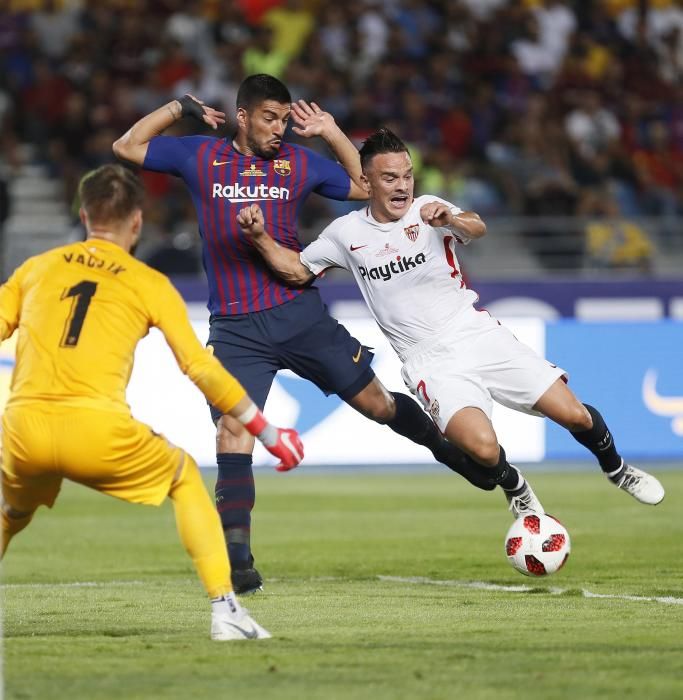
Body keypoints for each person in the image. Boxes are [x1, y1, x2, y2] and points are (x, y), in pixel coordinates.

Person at [113, 74, 486, 595]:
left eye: (285, 119)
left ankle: (453, 454)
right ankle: (238, 561)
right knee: (231, 433)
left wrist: (331, 133)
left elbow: (365, 186)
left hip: (299, 314)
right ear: (242, 117)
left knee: (378, 405)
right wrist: (180, 107)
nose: (280, 128)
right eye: (270, 118)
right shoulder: (200, 156)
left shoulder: (297, 162)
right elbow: (126, 146)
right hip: (237, 328)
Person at [237, 128, 666, 512]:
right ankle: (517, 489)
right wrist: (259, 238)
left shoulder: (429, 209)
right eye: (390, 178)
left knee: (574, 414)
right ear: (366, 182)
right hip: (429, 362)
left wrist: (452, 219)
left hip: (475, 333)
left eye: (406, 175)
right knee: (481, 448)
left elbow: (476, 227)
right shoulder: (345, 234)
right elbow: (296, 270)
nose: (402, 185)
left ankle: (617, 468)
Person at [0, 164, 305, 641]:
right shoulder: (148, 282)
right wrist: (265, 431)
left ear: (84, 216)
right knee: (183, 475)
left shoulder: (37, 268)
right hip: (94, 429)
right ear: (137, 222)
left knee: (12, 513)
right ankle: (226, 611)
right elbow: (200, 367)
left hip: (23, 429)